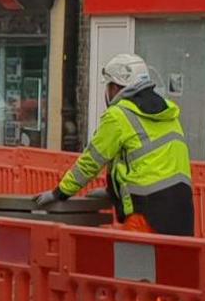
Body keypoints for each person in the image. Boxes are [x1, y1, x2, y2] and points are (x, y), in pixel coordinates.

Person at [35, 52, 193, 235]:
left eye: (109, 86)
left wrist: (59, 193)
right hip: (182, 210)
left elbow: (90, 162)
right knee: (174, 263)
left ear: (116, 87)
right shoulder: (167, 112)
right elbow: (150, 164)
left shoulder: (118, 115)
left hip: (146, 211)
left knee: (132, 262)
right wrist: (114, 192)